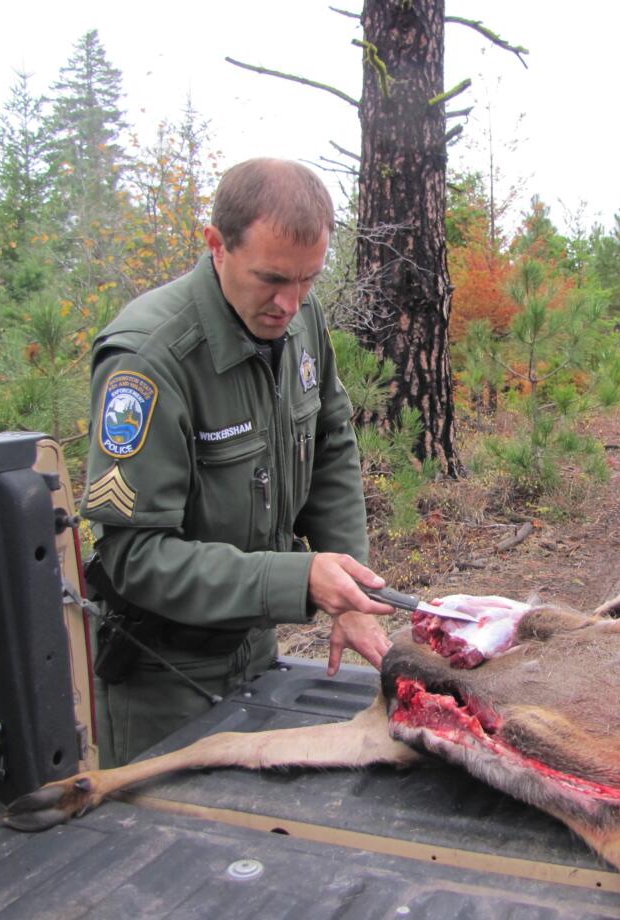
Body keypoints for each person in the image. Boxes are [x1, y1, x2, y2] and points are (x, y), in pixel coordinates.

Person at [82, 158, 393, 766]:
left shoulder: (300, 319)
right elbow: (134, 558)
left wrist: (350, 591)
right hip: (162, 679)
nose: (289, 303)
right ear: (217, 246)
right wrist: (296, 580)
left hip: (255, 653)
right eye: (272, 279)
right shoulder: (149, 361)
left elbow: (330, 442)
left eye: (309, 280)